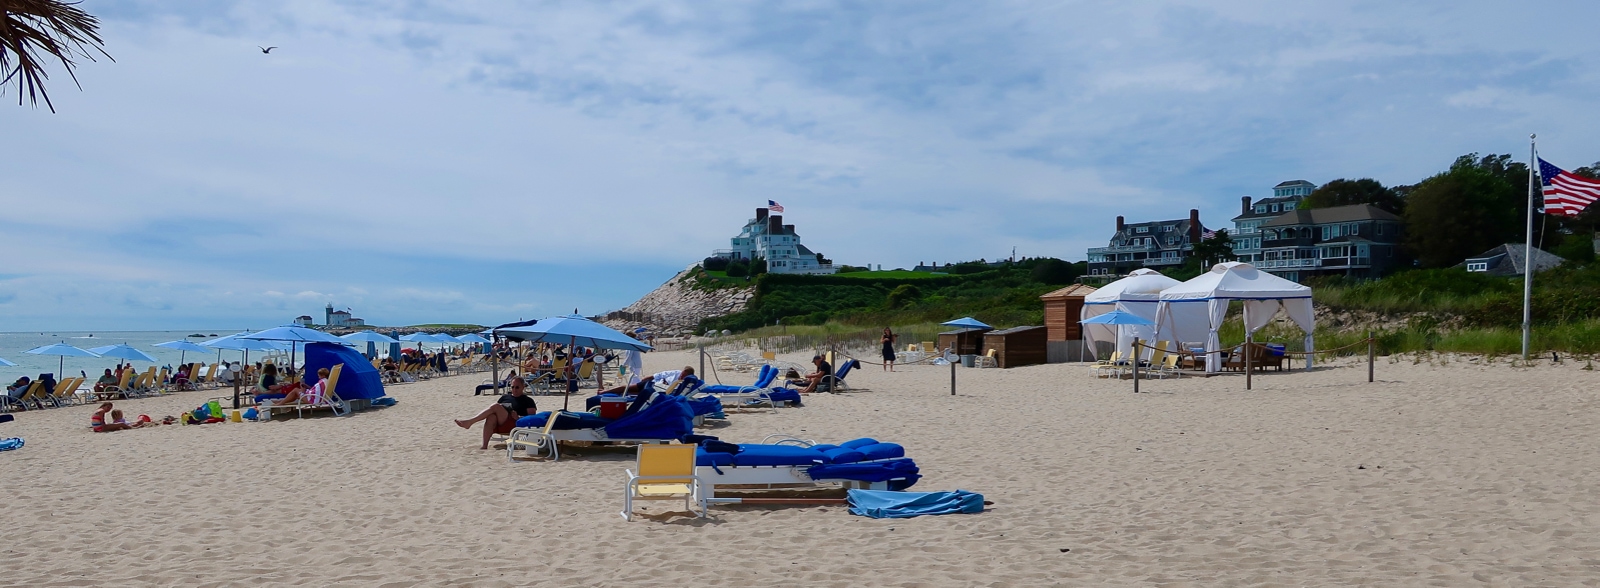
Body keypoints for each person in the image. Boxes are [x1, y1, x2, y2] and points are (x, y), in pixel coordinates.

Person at [454, 376, 537, 450]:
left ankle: (470, 422)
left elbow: (532, 418)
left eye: (517, 387)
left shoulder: (528, 400)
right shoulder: (505, 397)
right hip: (500, 424)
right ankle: (484, 446)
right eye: (512, 387)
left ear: (523, 387)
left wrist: (519, 417)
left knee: (496, 406)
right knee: (491, 417)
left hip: (515, 423)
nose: (514, 389)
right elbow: (495, 410)